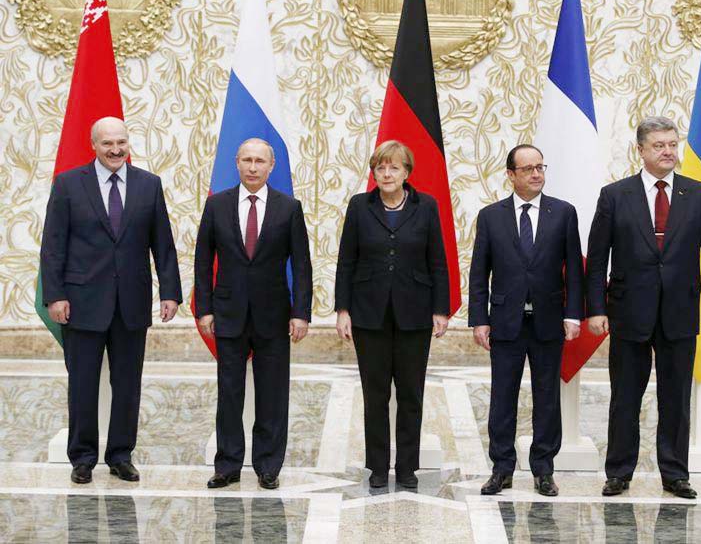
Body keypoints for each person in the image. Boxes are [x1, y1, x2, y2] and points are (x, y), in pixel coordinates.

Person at [585, 116, 701, 499]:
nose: (668, 152)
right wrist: (595, 308)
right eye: (659, 146)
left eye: (672, 144)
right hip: (629, 311)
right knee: (625, 398)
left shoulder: (699, 194)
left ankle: (675, 474)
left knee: (676, 398)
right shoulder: (615, 195)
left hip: (680, 312)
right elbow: (597, 259)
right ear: (641, 150)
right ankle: (619, 472)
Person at [40, 116, 182, 484]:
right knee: (83, 384)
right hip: (82, 303)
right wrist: (55, 296)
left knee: (128, 383)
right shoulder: (69, 184)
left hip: (131, 304)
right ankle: (82, 458)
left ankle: (121, 455)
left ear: (128, 142)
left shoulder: (149, 185)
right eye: (107, 144)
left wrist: (170, 293)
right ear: (94, 145)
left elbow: (162, 245)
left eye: (121, 142)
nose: (116, 149)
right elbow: (53, 247)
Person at [194, 138, 312, 490]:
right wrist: (204, 309)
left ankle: (268, 465)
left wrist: (301, 312)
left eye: (260, 161)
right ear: (237, 163)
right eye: (246, 159)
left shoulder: (288, 207)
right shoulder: (217, 205)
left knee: (272, 393)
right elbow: (203, 262)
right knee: (229, 392)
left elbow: (302, 265)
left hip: (274, 315)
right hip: (228, 313)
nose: (253, 167)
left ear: (271, 166)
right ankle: (228, 464)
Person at [468, 144, 583, 497]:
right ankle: (501, 468)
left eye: (540, 167)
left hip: (549, 321)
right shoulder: (491, 216)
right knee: (503, 397)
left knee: (547, 398)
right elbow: (479, 272)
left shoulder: (563, 213)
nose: (536, 174)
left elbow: (574, 272)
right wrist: (479, 319)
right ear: (511, 174)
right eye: (528, 168)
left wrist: (573, 313)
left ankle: (544, 469)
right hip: (505, 321)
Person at [334, 140, 449, 489]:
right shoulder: (359, 206)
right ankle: (379, 467)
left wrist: (440, 309)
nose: (386, 173)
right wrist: (343, 309)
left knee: (411, 393)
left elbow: (438, 262)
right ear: (374, 172)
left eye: (394, 168)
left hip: (415, 313)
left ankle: (407, 467)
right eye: (381, 167)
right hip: (369, 314)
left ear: (406, 173)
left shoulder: (426, 206)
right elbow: (346, 261)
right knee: (375, 394)